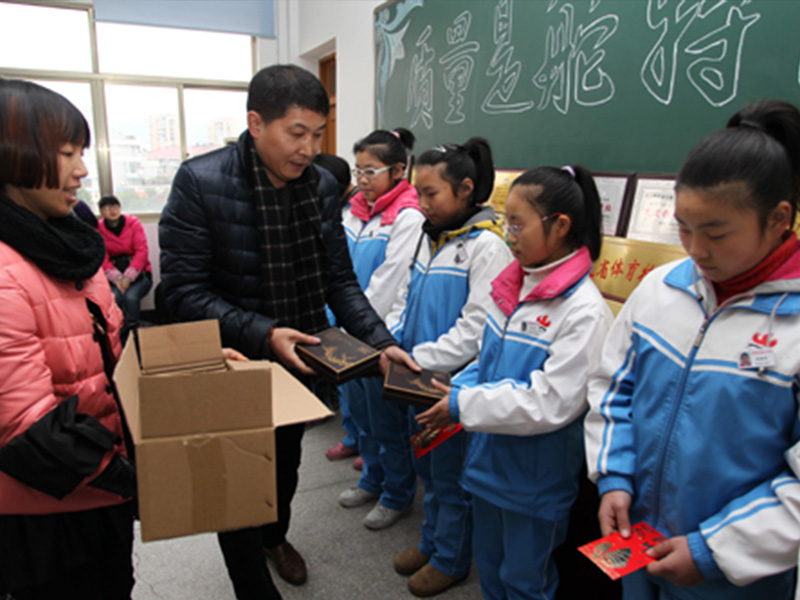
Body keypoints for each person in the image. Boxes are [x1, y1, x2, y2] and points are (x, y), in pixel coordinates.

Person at [159, 64, 415, 600]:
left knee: (284, 467)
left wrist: (381, 340)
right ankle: (253, 584)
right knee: (234, 484)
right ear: (256, 123)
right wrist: (265, 331)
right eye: (296, 132)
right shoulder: (200, 182)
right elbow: (181, 294)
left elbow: (338, 280)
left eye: (318, 134)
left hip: (299, 358)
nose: (308, 147)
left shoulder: (321, 185)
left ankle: (274, 537)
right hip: (233, 361)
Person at [585, 99, 800, 599]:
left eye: (716, 232)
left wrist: (712, 550)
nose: (696, 249)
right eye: (683, 227)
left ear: (779, 219)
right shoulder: (663, 289)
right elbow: (612, 387)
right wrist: (613, 476)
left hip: (736, 573)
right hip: (636, 543)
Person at [417, 165, 612, 599]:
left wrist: (461, 404)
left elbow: (551, 402)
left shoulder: (583, 310)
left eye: (518, 224)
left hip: (533, 484)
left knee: (526, 581)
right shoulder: (514, 287)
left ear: (559, 225)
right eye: (507, 221)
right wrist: (451, 389)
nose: (508, 234)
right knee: (491, 569)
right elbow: (486, 363)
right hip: (488, 466)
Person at [0, 79, 136, 599]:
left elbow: (104, 349)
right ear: (15, 155)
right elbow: (25, 430)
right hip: (48, 510)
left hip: (98, 488)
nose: (82, 169)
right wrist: (134, 477)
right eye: (66, 154)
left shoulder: (66, 244)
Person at [386, 138, 513, 596]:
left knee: (451, 475)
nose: (422, 204)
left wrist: (421, 360)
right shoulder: (430, 236)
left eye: (431, 194)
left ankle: (451, 558)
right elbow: (406, 296)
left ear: (465, 188)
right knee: (428, 470)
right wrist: (394, 343)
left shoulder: (487, 246)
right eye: (417, 193)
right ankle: (431, 540)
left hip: (451, 385)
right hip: (415, 376)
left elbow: (476, 328)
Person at [334, 128, 425, 530]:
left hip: (377, 334)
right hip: (345, 332)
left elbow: (389, 281)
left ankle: (398, 493)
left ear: (399, 170)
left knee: (387, 420)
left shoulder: (408, 217)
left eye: (371, 171)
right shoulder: (353, 210)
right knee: (358, 413)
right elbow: (335, 268)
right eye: (358, 171)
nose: (362, 180)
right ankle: (372, 478)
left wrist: (360, 328)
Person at [98, 194, 153, 327]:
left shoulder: (133, 224)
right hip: (113, 277)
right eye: (106, 208)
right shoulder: (98, 229)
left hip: (139, 275)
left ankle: (135, 331)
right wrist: (117, 279)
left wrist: (128, 278)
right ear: (101, 212)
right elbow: (102, 258)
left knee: (131, 297)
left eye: (115, 206)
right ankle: (119, 333)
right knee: (115, 297)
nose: (112, 211)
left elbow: (142, 252)